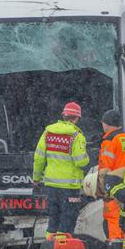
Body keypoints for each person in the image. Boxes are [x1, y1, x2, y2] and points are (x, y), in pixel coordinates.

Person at [33, 102, 89, 238]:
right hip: (69, 187)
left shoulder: (47, 133)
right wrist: (88, 157)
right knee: (67, 221)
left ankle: (50, 248)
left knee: (53, 221)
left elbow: (39, 158)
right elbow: (81, 161)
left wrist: (36, 178)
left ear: (63, 116)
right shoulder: (76, 136)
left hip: (51, 185)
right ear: (76, 118)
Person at [98, 109, 125, 241]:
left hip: (113, 183)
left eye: (103, 123)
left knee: (112, 217)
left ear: (107, 124)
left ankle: (115, 246)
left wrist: (102, 187)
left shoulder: (109, 140)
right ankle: (124, 245)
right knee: (124, 217)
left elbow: (105, 166)